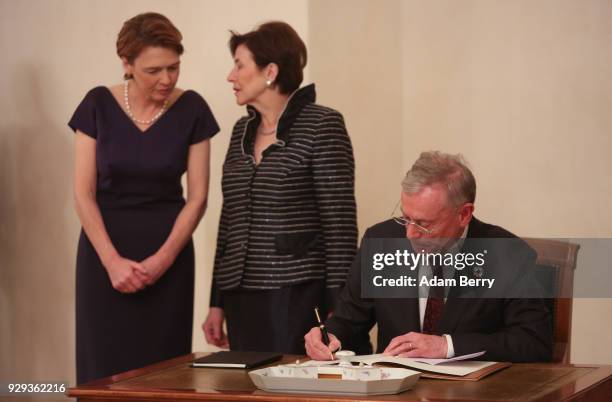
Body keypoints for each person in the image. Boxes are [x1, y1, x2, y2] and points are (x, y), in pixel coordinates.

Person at [69, 12, 219, 383]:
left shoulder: (193, 109)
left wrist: (162, 260)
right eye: (154, 70)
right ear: (127, 64)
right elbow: (83, 192)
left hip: (168, 260)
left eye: (174, 67)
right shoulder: (96, 104)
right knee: (102, 372)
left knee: (164, 374)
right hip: (104, 259)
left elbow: (198, 197)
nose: (166, 79)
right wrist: (111, 261)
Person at [305, 151, 553, 362]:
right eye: (406, 218)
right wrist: (329, 336)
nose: (410, 234)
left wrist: (447, 346)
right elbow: (349, 320)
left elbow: (534, 342)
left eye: (424, 225)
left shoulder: (507, 254)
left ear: (464, 214)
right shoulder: (381, 242)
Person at [202, 21, 359, 354]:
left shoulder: (323, 124)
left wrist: (339, 306)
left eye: (239, 65)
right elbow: (229, 220)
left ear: (270, 70)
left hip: (296, 293)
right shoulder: (239, 131)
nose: (231, 76)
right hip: (240, 295)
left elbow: (340, 223)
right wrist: (216, 301)